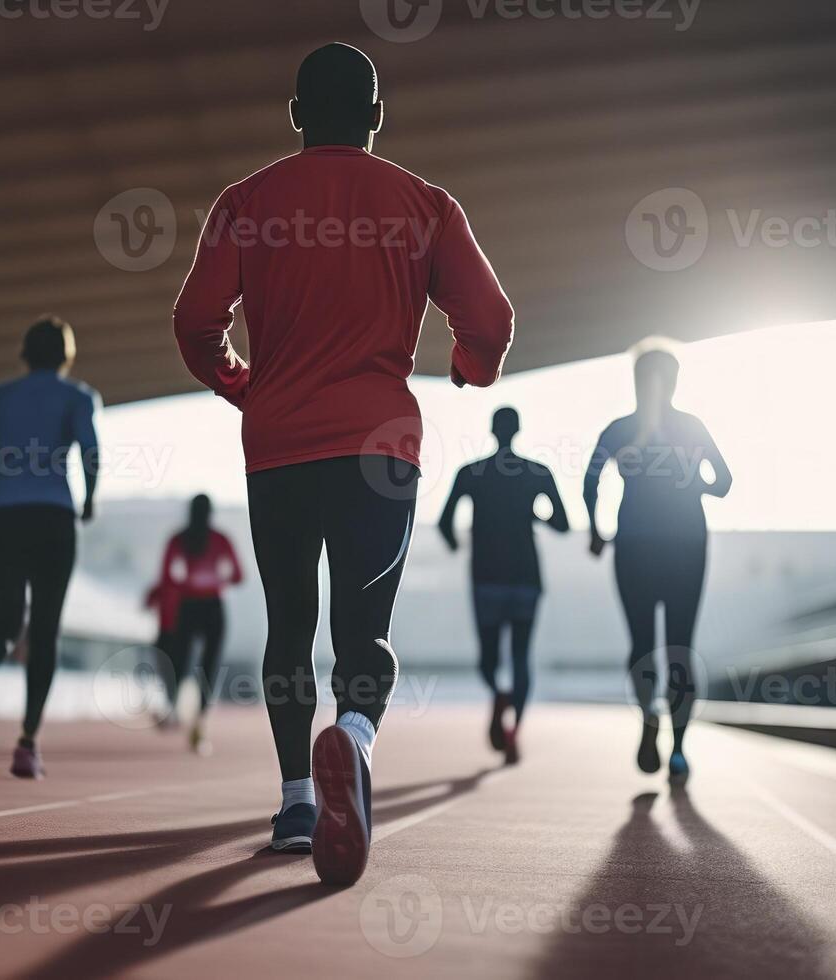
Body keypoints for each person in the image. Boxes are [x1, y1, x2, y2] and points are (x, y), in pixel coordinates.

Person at [173, 42, 515, 884]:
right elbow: (491, 320)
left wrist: (240, 384)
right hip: (377, 449)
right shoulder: (425, 204)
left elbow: (193, 321)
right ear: (375, 115)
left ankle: (296, 797)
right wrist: (468, 371)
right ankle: (353, 739)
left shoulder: (244, 201)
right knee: (364, 632)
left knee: (289, 624)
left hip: (279, 446)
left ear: (294, 116)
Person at [0, 316, 101, 780]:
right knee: (46, 628)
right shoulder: (77, 397)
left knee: (7, 620)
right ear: (64, 357)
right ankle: (28, 744)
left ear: (24, 354)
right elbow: (91, 453)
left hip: (1, 515)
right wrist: (89, 498)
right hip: (53, 515)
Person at [582, 342, 732, 780]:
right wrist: (690, 486)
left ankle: (649, 714)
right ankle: (680, 749)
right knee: (681, 646)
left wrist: (595, 528)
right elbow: (724, 483)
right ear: (676, 380)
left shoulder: (618, 429)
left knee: (642, 643)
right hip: (687, 543)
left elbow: (590, 481)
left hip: (634, 545)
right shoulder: (692, 427)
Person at [439, 407, 568, 765]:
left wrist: (455, 546)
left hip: (486, 577)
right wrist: (532, 514)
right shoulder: (537, 472)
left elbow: (445, 522)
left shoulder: (471, 473)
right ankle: (515, 729)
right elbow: (563, 524)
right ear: (518, 431)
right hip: (526, 577)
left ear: (493, 431)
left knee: (488, 659)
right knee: (521, 656)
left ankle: (497, 694)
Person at [148, 494, 244, 754]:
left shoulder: (178, 539)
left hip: (188, 606)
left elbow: (167, 576)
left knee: (180, 661)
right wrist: (218, 581)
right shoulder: (220, 539)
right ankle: (199, 724)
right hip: (213, 605)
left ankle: (174, 708)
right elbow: (238, 574)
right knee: (209, 666)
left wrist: (185, 585)